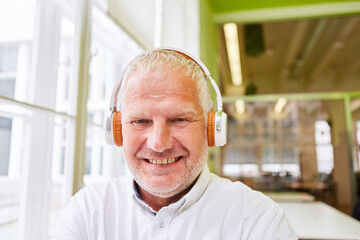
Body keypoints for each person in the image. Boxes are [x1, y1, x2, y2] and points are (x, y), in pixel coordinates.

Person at [52, 48, 298, 239]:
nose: (159, 144)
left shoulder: (258, 219)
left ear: (211, 129)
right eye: (139, 120)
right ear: (117, 131)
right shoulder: (88, 210)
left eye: (180, 119)